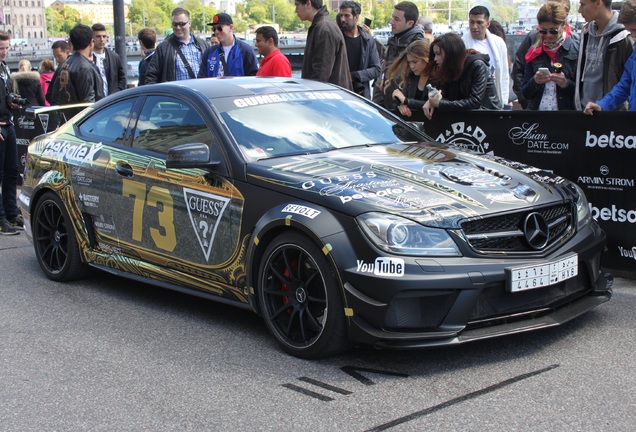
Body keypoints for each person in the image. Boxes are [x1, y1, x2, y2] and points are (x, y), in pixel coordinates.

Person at [512, 0, 575, 109]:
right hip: (537, 115)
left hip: (566, 116)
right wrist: (535, 81)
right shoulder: (534, 49)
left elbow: (584, 91)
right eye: (543, 31)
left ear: (563, 25)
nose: (549, 35)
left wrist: (566, 84)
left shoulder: (575, 48)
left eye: (553, 31)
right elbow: (525, 92)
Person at [423, 33, 501, 119]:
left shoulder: (477, 65)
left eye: (438, 54)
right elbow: (447, 97)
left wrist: (439, 103)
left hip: (490, 118)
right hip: (470, 119)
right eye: (435, 54)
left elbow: (475, 102)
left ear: (450, 53)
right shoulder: (448, 69)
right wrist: (432, 101)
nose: (435, 59)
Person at [574, 0, 633, 110]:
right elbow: (626, 82)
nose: (579, 10)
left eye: (583, 4)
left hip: (613, 114)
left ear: (598, 3)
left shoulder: (625, 36)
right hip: (587, 107)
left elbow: (627, 84)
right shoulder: (586, 32)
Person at [372, 1, 424, 106]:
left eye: (397, 19)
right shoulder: (395, 40)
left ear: (410, 23)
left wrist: (405, 103)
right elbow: (385, 73)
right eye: (392, 17)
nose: (391, 22)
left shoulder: (418, 45)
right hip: (388, 104)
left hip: (403, 109)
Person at [295, 0, 353, 90]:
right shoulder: (322, 25)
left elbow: (321, 73)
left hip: (330, 98)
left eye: (297, 5)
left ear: (308, 4)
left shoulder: (324, 28)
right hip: (331, 96)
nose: (295, 10)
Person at [461, 6, 508, 110]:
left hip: (493, 96)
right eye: (471, 22)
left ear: (488, 23)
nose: (474, 26)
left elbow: (504, 73)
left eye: (479, 22)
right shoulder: (462, 43)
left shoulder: (498, 43)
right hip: (472, 97)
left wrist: (504, 100)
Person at [145, 7, 209, 84]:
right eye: (175, 24)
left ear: (189, 23)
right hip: (175, 95)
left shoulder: (203, 45)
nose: (178, 27)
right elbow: (151, 76)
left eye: (182, 24)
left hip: (200, 93)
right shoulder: (163, 48)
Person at [49, 24, 104, 105]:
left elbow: (52, 96)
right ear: (91, 43)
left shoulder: (64, 65)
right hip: (83, 116)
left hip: (66, 115)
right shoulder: (85, 68)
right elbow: (89, 103)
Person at [0, 30, 21, 234]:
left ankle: (12, 213)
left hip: (8, 123)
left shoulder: (4, 68)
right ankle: (2, 219)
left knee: (12, 171)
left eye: (6, 47)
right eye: (1, 48)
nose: (4, 52)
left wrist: (11, 102)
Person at [338, 1, 381, 98]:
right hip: (340, 92)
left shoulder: (367, 40)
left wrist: (354, 76)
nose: (343, 19)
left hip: (361, 94)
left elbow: (376, 69)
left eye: (347, 16)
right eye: (341, 15)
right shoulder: (337, 38)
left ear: (356, 17)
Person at [199, 13, 259, 78]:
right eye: (214, 29)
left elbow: (253, 78)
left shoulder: (245, 51)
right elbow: (202, 77)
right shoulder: (209, 52)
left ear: (231, 27)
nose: (216, 32)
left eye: (219, 28)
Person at [386, 39, 433, 119]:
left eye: (415, 62)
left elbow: (435, 104)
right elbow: (402, 98)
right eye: (409, 62)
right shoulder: (411, 78)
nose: (412, 66)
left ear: (426, 58)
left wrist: (406, 101)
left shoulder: (438, 78)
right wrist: (401, 105)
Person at [91, 23, 126, 96]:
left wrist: (117, 92)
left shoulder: (114, 57)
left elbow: (122, 78)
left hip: (112, 100)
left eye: (104, 36)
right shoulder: (88, 58)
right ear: (92, 38)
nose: (101, 39)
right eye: (98, 36)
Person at [46, 40, 71, 105]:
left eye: (59, 56)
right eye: (55, 56)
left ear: (67, 52)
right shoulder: (61, 68)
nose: (57, 59)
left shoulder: (66, 68)